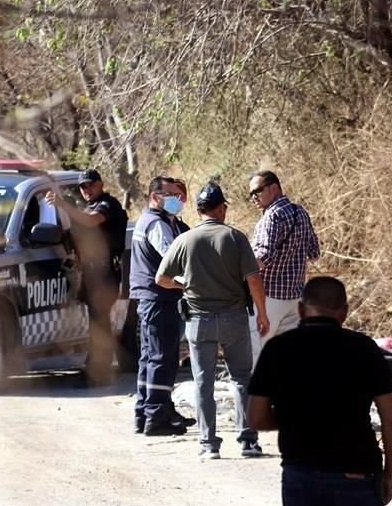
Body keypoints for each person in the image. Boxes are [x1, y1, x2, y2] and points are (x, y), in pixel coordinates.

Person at [248, 276, 392, 506]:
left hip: (300, 477)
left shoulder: (278, 348)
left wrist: (293, 419)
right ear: (344, 312)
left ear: (301, 309)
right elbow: (391, 419)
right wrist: (390, 474)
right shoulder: (363, 348)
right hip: (356, 477)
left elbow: (257, 418)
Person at [155, 182, 269, 459]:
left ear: (197, 210)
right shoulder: (235, 237)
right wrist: (262, 312)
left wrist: (185, 286)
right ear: (222, 209)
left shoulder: (185, 240)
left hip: (198, 320)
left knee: (203, 383)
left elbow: (161, 278)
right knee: (241, 378)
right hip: (234, 318)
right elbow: (253, 278)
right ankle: (248, 442)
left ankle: (208, 445)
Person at [47, 169, 128, 388]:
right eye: (83, 187)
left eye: (91, 185)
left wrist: (63, 205)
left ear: (101, 184)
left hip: (105, 273)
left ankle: (98, 373)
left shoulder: (106, 205)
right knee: (97, 323)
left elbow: (91, 221)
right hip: (94, 273)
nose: (87, 190)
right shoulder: (90, 206)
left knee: (99, 323)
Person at [129, 176, 196, 436]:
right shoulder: (156, 225)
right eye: (171, 195)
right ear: (155, 196)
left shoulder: (159, 222)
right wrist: (192, 283)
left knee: (151, 357)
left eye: (180, 195)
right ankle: (156, 416)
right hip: (160, 298)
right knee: (162, 358)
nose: (178, 200)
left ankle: (147, 410)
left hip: (153, 299)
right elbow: (173, 261)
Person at [248, 170, 320, 365]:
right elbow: (314, 253)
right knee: (288, 357)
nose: (254, 197)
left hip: (268, 297)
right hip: (295, 298)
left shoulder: (272, 215)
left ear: (274, 187)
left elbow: (263, 256)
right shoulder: (301, 212)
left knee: (256, 355)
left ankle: (256, 395)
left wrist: (237, 270)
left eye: (257, 191)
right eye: (251, 194)